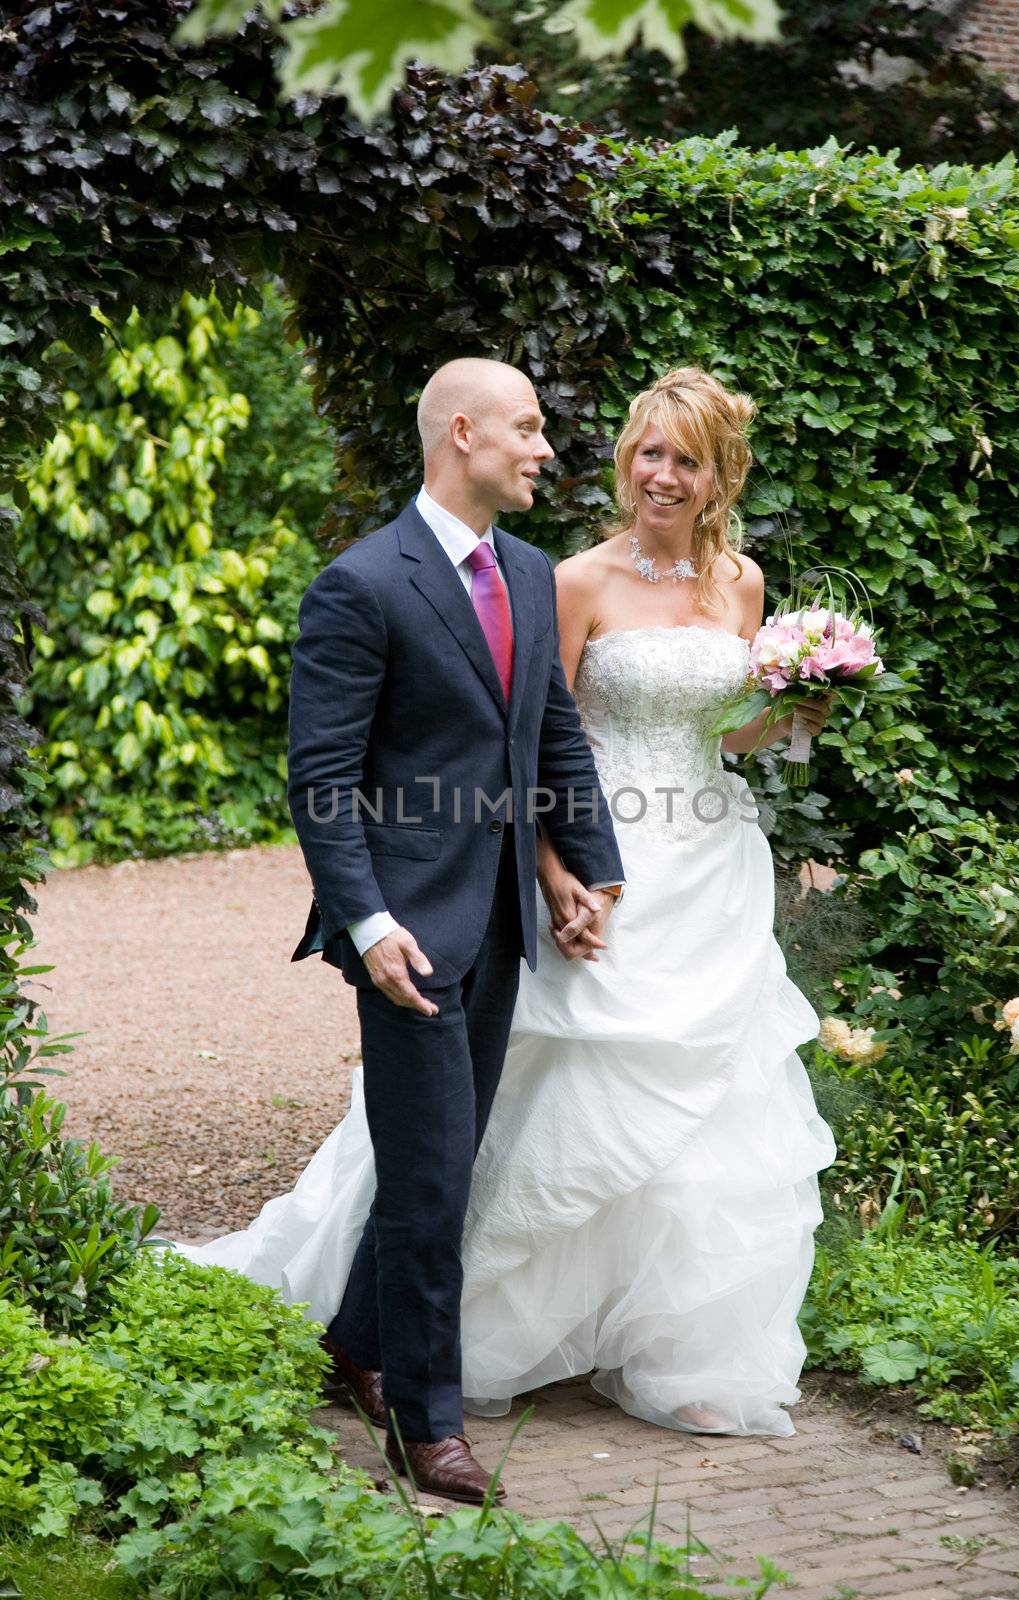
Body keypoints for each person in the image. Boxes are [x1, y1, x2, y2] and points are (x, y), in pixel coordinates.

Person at [184, 365, 835, 1450]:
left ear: (723, 474)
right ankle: (417, 1363)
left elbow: (691, 735)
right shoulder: (550, 576)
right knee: (487, 1126)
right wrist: (548, 872)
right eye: (646, 450)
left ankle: (643, 1336)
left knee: (688, 1115)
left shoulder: (729, 584)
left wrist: (794, 708)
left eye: (686, 458)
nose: (657, 474)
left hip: (692, 860)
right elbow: (520, 740)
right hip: (521, 881)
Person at [238, 356, 625, 1506]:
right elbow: (322, 780)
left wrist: (587, 872)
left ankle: (354, 1337)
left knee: (443, 1159)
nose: (544, 447)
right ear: (462, 433)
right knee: (428, 1183)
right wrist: (364, 923)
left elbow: (550, 736)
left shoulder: (528, 568)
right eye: (526, 428)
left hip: (502, 919)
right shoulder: (360, 585)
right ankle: (427, 1420)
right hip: (405, 938)